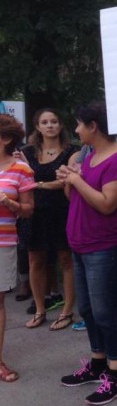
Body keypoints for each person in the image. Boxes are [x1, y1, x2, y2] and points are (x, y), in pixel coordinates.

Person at [57, 102, 117, 405]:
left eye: (79, 124)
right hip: (82, 243)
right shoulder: (89, 157)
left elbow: (107, 203)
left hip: (107, 246)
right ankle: (98, 362)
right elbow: (75, 196)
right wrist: (70, 179)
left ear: (93, 126)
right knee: (89, 309)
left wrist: (77, 180)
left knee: (109, 310)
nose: (76, 130)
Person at [20, 108, 78, 330]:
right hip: (34, 212)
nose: (50, 125)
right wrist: (42, 185)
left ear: (61, 125)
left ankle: (67, 311)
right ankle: (39, 309)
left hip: (61, 210)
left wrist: (38, 184)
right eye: (44, 122)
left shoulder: (72, 151)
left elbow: (68, 180)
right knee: (36, 260)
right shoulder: (26, 151)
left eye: (54, 121)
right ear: (37, 127)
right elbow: (20, 177)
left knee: (65, 259)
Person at [0, 113, 35, 382]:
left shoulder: (21, 170)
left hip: (3, 242)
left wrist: (11, 205)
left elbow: (28, 211)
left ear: (6, 139)